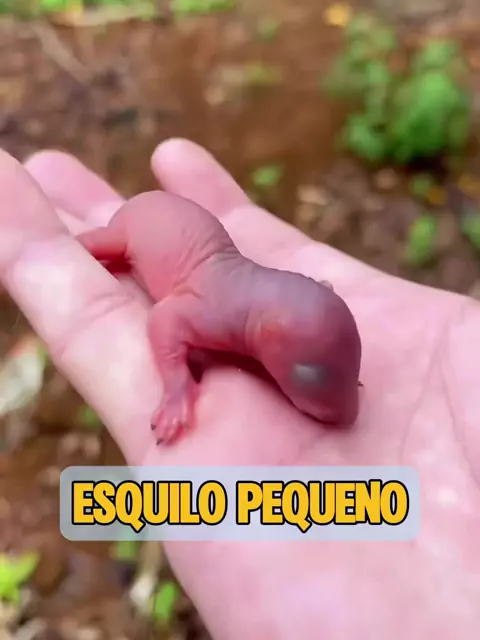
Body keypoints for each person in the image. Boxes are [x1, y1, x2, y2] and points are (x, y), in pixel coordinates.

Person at [0, 138, 479, 638]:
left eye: (347, 376)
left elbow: (317, 315)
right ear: (265, 337)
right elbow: (166, 321)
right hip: (141, 226)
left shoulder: (265, 314)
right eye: (316, 379)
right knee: (87, 252)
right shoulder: (221, 313)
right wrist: (178, 386)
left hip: (188, 234)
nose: (344, 404)